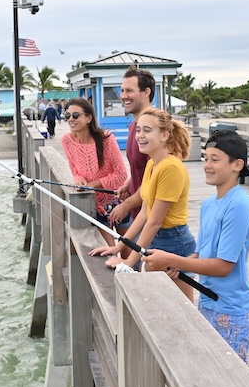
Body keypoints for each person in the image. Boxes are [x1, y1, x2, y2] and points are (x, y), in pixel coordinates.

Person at [142, 129, 249, 362]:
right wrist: (179, 269)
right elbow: (201, 255)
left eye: (215, 160)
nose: (207, 165)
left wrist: (171, 259)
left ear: (237, 165)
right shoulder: (209, 204)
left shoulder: (239, 205)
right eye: (206, 158)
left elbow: (224, 266)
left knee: (229, 379)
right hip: (208, 303)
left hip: (231, 309)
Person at [90, 108, 197, 301]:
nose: (140, 136)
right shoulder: (152, 164)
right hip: (156, 239)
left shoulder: (170, 167)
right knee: (161, 304)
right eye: (138, 130)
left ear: (165, 135)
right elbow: (143, 213)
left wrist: (130, 262)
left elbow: (155, 221)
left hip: (175, 241)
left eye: (147, 130)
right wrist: (118, 247)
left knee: (184, 308)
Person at [60, 98, 130, 246]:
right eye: (68, 116)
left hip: (118, 201)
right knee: (110, 254)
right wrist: (79, 180)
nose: (71, 119)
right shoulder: (67, 140)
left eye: (75, 115)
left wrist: (93, 184)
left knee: (128, 253)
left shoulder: (106, 139)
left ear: (89, 118)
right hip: (94, 205)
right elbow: (75, 170)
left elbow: (121, 175)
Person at [106, 67, 155, 242]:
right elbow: (143, 168)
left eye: (129, 91)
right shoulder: (135, 126)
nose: (123, 96)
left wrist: (126, 205)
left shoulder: (155, 128)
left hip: (154, 223)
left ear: (146, 92)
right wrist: (129, 183)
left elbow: (155, 181)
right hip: (139, 214)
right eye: (122, 90)